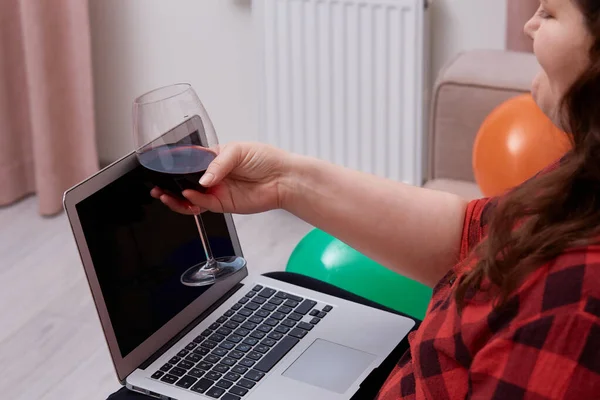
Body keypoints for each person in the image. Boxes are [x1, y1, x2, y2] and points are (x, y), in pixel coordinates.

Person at [110, 0, 600, 398]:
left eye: (552, 12)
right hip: (424, 363)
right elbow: (474, 235)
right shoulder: (584, 175)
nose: (530, 26)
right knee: (282, 285)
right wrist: (285, 181)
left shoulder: (573, 312)